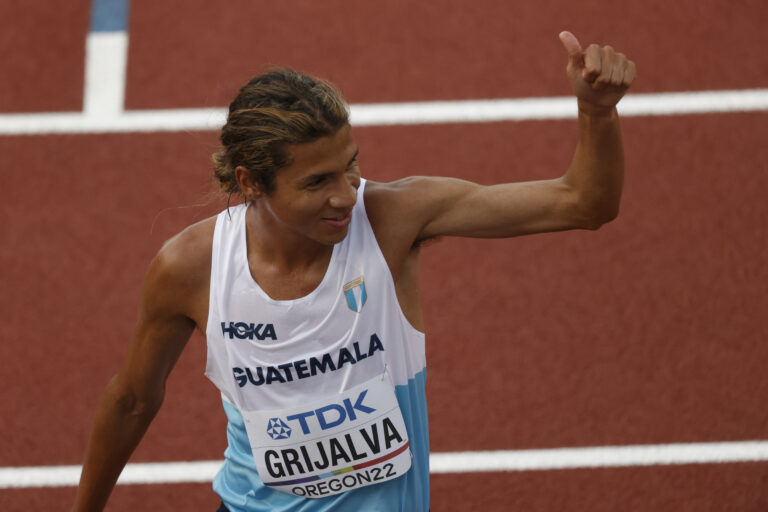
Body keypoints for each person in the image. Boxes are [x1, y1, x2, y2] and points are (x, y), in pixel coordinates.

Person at [72, 31, 636, 511]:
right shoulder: (191, 268)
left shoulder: (393, 218)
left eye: (350, 166)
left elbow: (584, 203)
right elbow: (132, 401)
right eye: (317, 182)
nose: (346, 196)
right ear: (249, 182)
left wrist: (596, 111)